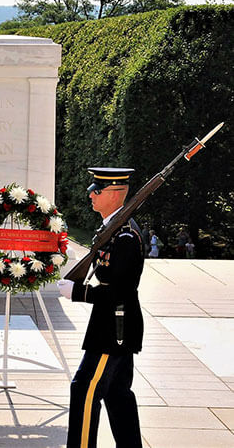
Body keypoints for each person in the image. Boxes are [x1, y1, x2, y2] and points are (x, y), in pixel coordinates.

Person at [58, 167, 144, 448]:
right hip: (112, 325)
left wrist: (80, 292)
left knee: (84, 389)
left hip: (114, 329)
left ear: (115, 194)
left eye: (97, 190)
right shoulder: (112, 229)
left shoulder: (125, 237)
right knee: (118, 394)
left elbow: (121, 290)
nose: (91, 194)